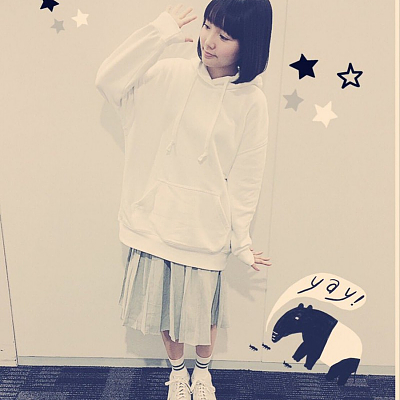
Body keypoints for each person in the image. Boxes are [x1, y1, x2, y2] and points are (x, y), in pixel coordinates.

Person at [95, 0, 273, 398]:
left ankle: (203, 374)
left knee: (202, 314)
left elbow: (247, 177)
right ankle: (177, 373)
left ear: (250, 44)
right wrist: (159, 33)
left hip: (205, 227)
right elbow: (108, 80)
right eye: (207, 27)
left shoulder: (251, 102)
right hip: (154, 219)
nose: (208, 41)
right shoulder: (169, 73)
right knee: (166, 310)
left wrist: (241, 240)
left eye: (224, 36)